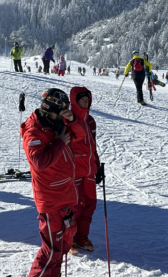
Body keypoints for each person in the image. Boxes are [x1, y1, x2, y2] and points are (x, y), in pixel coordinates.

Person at [21, 88, 79, 277]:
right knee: (52, 251)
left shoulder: (56, 125)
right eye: (61, 111)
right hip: (50, 199)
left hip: (64, 195)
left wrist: (72, 120)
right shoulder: (34, 131)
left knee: (60, 249)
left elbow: (82, 136)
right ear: (50, 108)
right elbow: (39, 162)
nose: (62, 116)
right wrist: (60, 143)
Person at [68, 87, 101, 254]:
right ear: (74, 101)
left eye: (87, 99)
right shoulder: (68, 119)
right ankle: (70, 239)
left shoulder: (90, 120)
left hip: (89, 170)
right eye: (82, 99)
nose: (85, 102)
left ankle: (82, 237)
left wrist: (97, 166)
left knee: (89, 204)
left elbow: (93, 146)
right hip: (74, 170)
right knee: (74, 207)